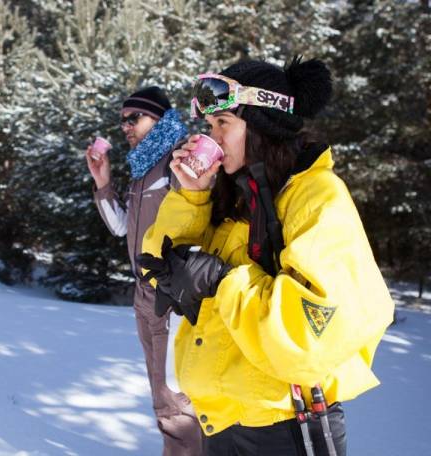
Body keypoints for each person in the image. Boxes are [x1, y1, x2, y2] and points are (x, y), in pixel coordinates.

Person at [137, 57, 394, 456]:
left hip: (286, 427)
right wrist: (190, 194)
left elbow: (309, 336)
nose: (212, 137)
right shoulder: (235, 193)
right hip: (220, 420)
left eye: (223, 124)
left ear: (261, 127)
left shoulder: (317, 197)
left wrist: (222, 280)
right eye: (209, 126)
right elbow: (157, 267)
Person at [85, 86, 204, 455]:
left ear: (159, 118)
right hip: (144, 297)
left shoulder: (179, 160)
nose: (125, 126)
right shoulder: (141, 169)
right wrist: (103, 184)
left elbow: (201, 221)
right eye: (122, 120)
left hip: (172, 298)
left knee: (177, 399)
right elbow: (122, 227)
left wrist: (182, 288)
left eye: (133, 117)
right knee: (161, 390)